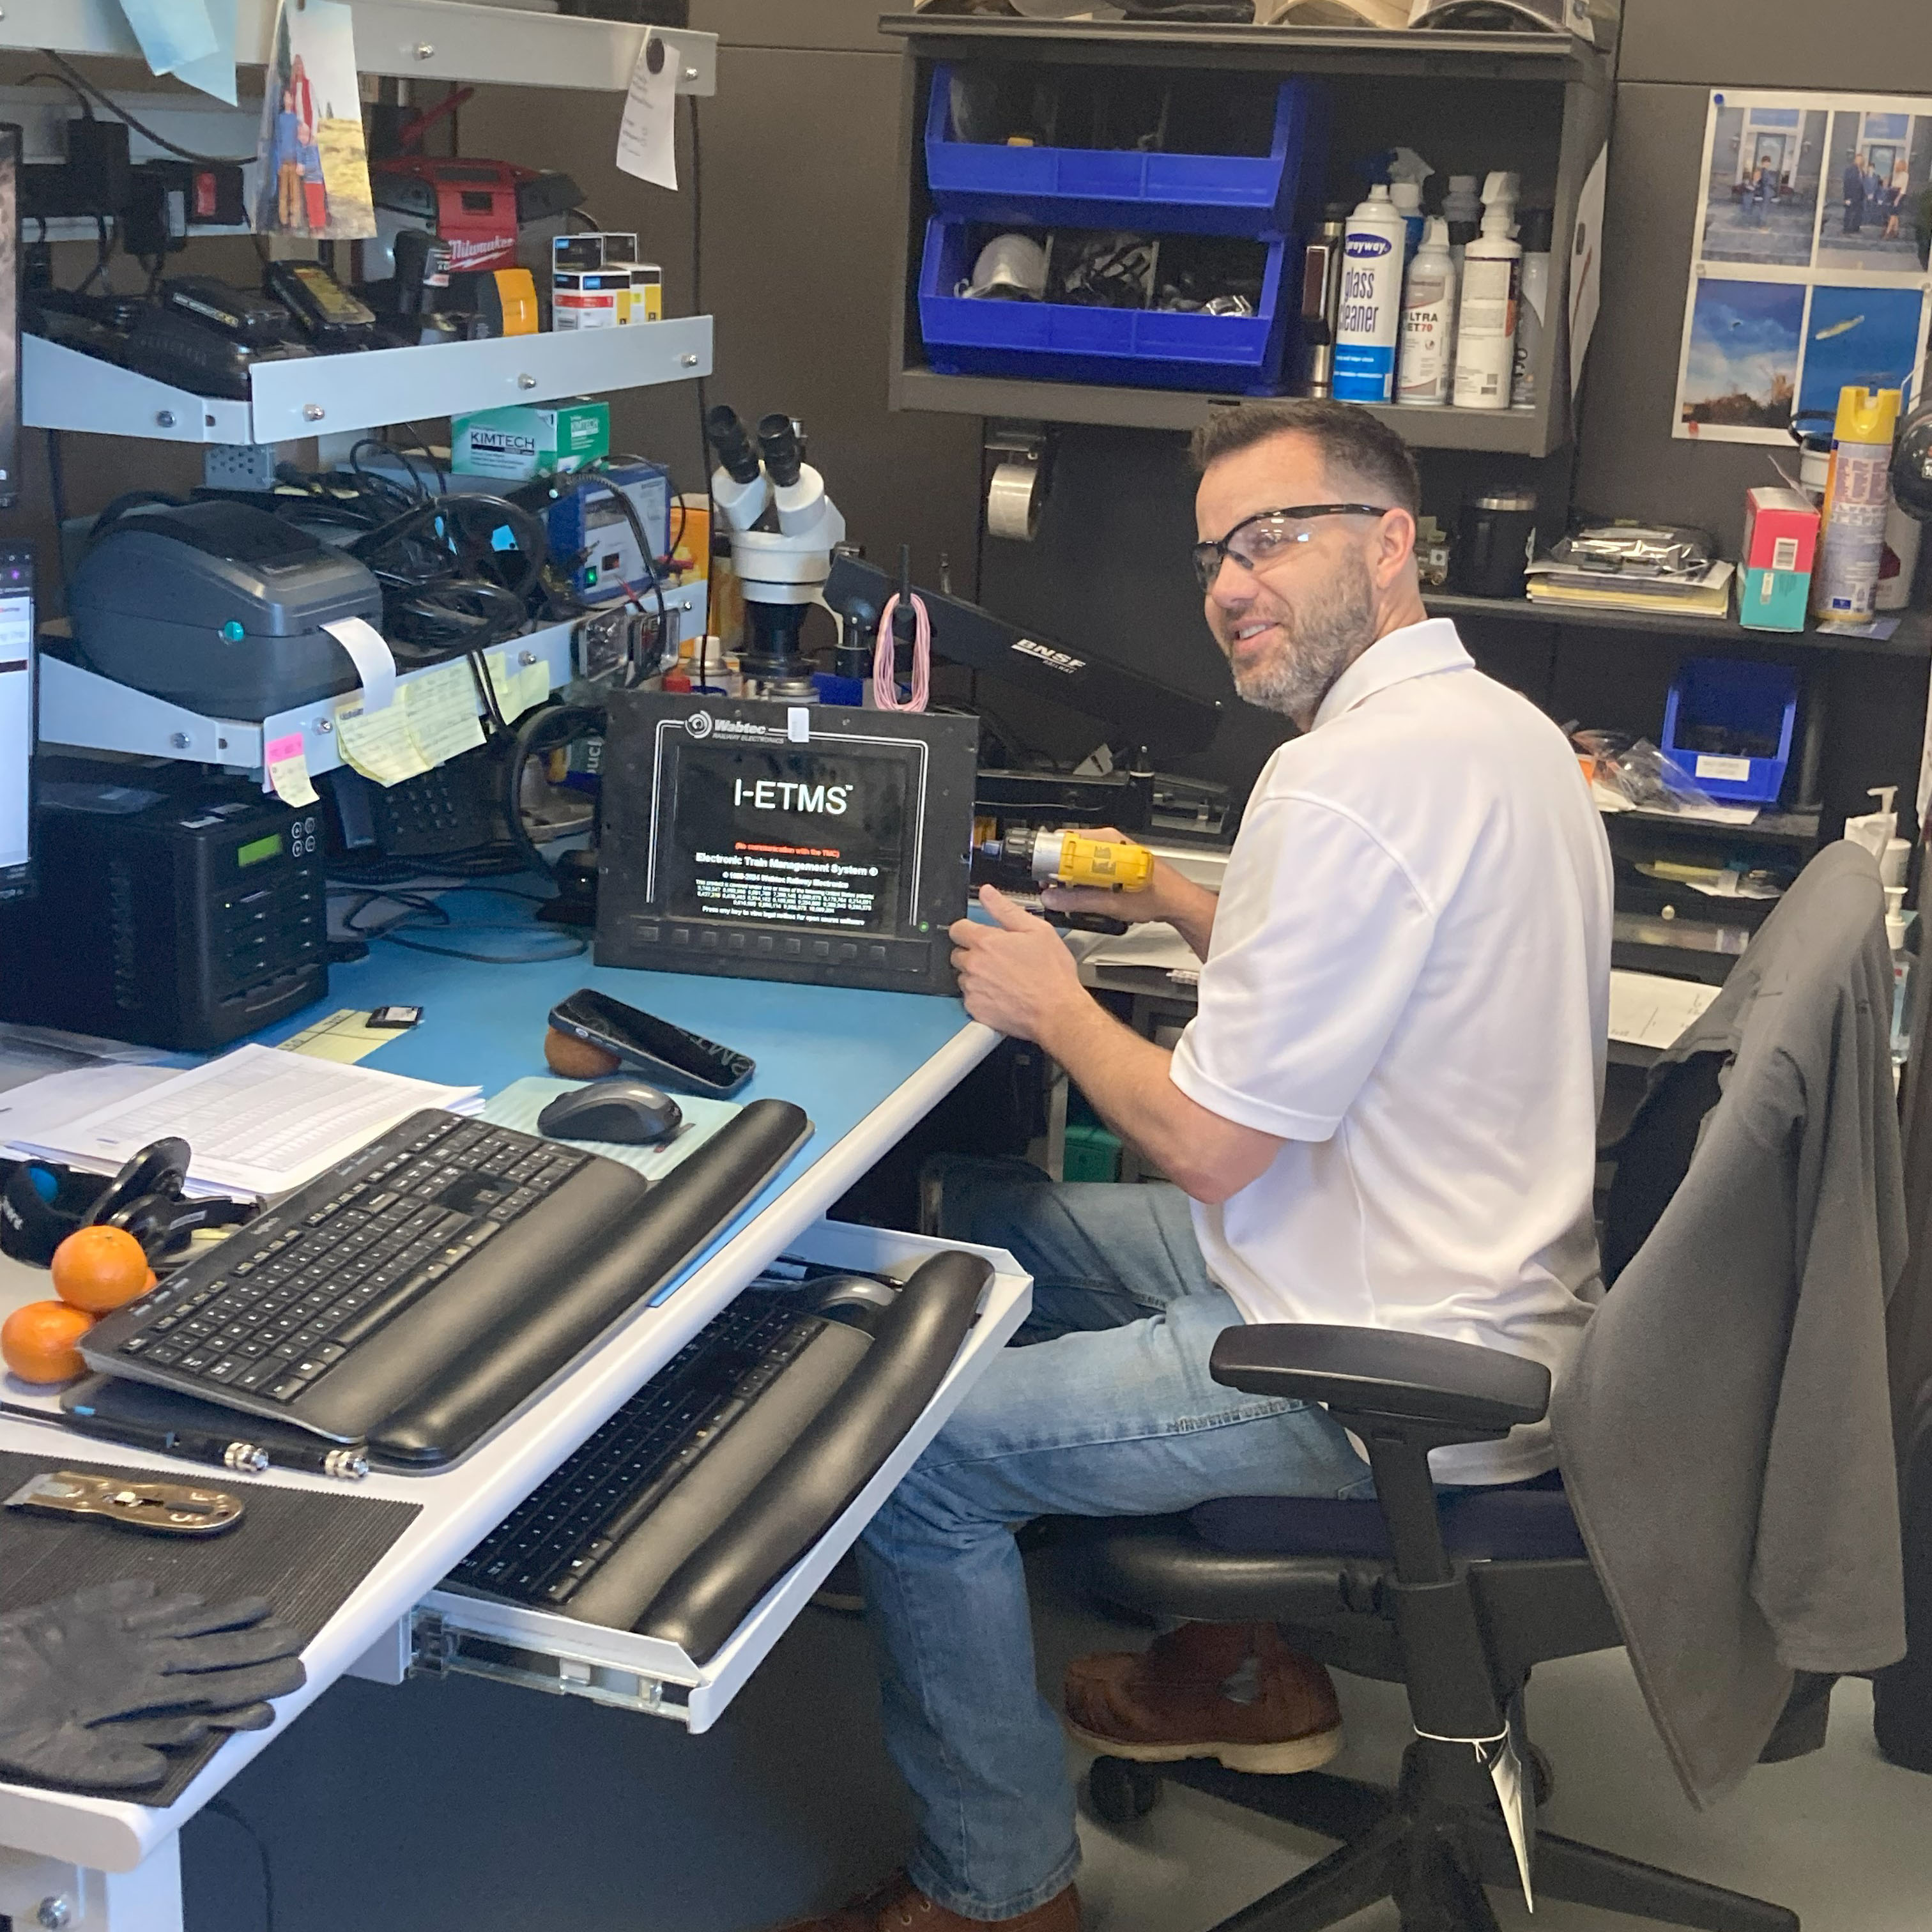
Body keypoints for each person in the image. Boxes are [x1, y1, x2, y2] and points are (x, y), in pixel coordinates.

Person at [770, 399, 1614, 1932]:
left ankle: (999, 1890)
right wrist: (1164, 890)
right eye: (1219, 552)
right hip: (1444, 1280)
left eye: (1275, 536)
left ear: (1393, 542)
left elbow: (1214, 1146)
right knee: (1001, 1223)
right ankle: (1241, 1661)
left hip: (1381, 1366)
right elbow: (1354, 987)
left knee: (916, 1457)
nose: (1231, 583)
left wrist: (1057, 1006)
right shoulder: (1499, 733)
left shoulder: (1343, 779)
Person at [272, 86, 301, 231]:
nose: (288, 100)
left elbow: (299, 141)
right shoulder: (280, 119)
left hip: (294, 161)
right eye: (286, 98)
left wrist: (301, 161)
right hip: (283, 161)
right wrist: (277, 164)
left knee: (295, 192)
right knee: (283, 192)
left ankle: (294, 218)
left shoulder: (296, 119)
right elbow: (277, 142)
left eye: (290, 97)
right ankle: (283, 218)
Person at [296, 121, 327, 233]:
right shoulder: (302, 149)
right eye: (300, 135)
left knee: (318, 203)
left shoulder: (312, 148)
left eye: (305, 135)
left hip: (316, 180)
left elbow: (314, 165)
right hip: (308, 181)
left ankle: (320, 224)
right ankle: (313, 223)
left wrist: (304, 169)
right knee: (310, 203)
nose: (302, 138)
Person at [1845, 151, 1867, 234]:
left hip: (1860, 197)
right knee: (1850, 213)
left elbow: (1863, 184)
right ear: (1855, 160)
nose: (1859, 161)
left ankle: (1855, 228)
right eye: (1858, 159)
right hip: (1851, 196)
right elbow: (1847, 184)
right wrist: (1847, 198)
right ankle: (1847, 229)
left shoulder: (1862, 171)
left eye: (1861, 160)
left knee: (1858, 213)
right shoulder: (1850, 170)